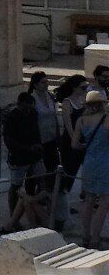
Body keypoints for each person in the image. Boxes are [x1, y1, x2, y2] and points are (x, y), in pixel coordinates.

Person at [7, 90, 50, 216]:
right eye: (26, 107)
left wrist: (38, 145)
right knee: (16, 186)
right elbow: (10, 141)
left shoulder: (33, 114)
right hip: (19, 157)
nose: (28, 110)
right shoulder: (12, 117)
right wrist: (27, 148)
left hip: (34, 156)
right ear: (20, 105)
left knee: (43, 180)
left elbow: (36, 131)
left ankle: (40, 209)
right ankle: (13, 215)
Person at [76, 90, 109, 247]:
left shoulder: (81, 121)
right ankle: (96, 237)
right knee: (104, 201)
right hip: (105, 162)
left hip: (89, 161)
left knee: (88, 200)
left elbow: (74, 145)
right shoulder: (106, 119)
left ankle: (85, 236)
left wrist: (89, 145)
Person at [57, 75, 89, 229]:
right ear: (75, 87)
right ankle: (62, 206)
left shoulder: (82, 101)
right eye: (83, 87)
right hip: (70, 142)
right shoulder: (67, 103)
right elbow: (68, 126)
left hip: (83, 141)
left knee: (85, 170)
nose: (85, 90)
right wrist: (74, 141)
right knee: (69, 173)